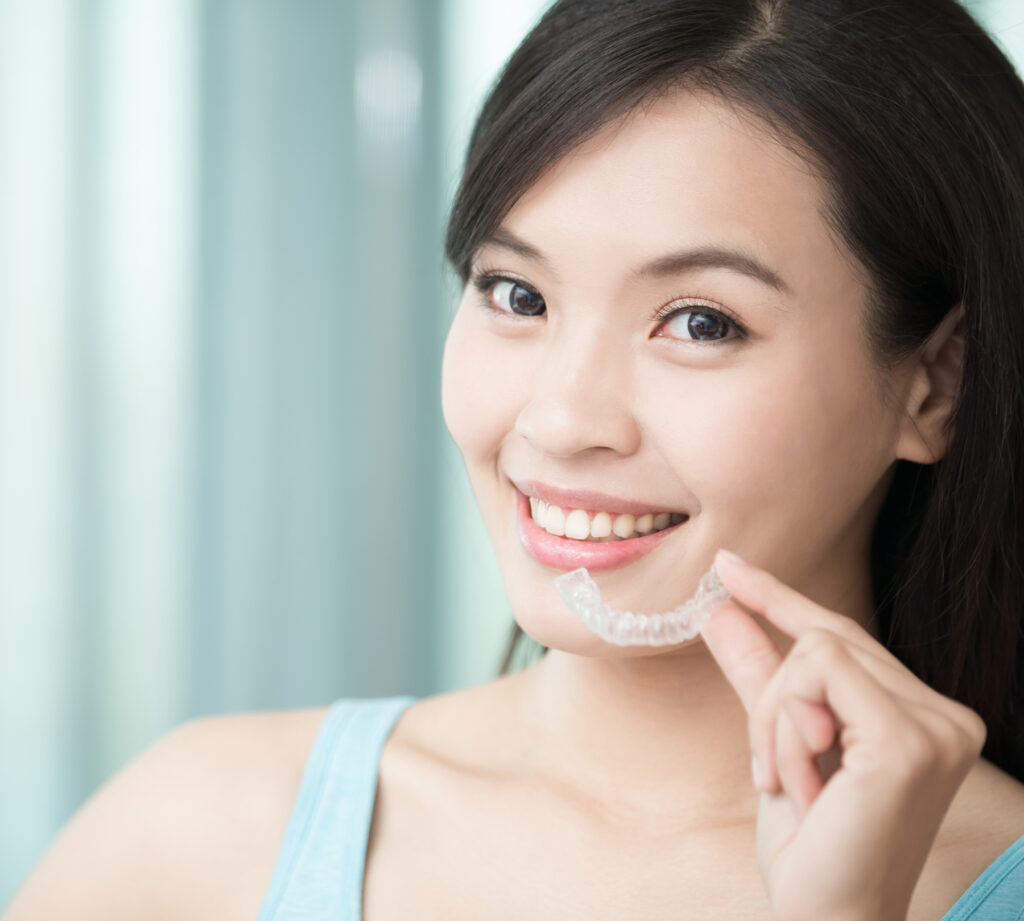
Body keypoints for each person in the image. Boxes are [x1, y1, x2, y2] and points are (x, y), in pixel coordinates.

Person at [4, 0, 1024, 918]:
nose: (562, 417)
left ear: (934, 387)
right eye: (517, 296)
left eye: (701, 322)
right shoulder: (196, 837)